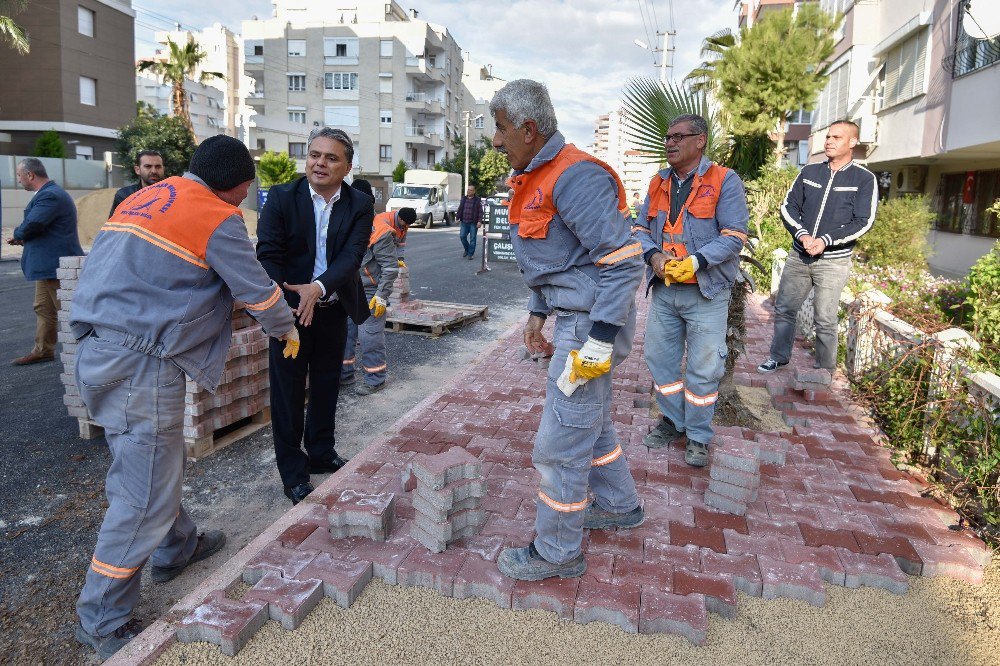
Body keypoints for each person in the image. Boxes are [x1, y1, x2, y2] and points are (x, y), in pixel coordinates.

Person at [68, 135, 299, 660]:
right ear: (238, 185)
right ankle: (102, 618)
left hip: (96, 347)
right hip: (140, 362)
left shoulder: (148, 197)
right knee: (142, 494)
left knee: (147, 465)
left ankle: (177, 545)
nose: (243, 200)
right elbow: (257, 290)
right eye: (245, 192)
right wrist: (286, 330)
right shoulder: (216, 216)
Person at [489, 80, 644, 581]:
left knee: (559, 446)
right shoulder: (537, 176)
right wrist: (537, 313)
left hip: (592, 324)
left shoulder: (574, 177)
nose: (495, 140)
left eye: (501, 128)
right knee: (590, 422)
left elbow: (622, 263)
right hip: (578, 318)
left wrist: (597, 341)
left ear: (529, 130)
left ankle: (557, 552)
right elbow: (555, 260)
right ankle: (620, 505)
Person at [256, 127, 374, 505]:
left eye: (331, 157)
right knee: (288, 394)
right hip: (289, 312)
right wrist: (282, 306)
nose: (320, 163)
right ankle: (293, 473)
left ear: (347, 166)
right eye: (314, 155)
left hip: (331, 307)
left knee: (326, 385)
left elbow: (351, 258)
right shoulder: (282, 197)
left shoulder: (359, 203)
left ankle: (321, 452)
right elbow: (269, 254)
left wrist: (318, 288)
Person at [634, 114, 750, 467]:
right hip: (666, 291)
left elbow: (734, 236)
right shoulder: (658, 182)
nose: (669, 142)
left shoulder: (724, 180)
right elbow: (639, 229)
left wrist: (696, 262)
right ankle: (673, 421)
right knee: (660, 361)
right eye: (667, 137)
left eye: (678, 137)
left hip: (706, 292)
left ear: (700, 140)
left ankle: (699, 436)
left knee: (703, 369)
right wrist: (653, 256)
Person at [757, 120, 877, 376]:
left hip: (834, 261)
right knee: (785, 309)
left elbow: (863, 221)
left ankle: (824, 370)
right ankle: (778, 357)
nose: (829, 141)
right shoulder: (809, 172)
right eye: (828, 137)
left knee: (825, 318)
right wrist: (802, 235)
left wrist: (826, 240)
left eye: (837, 137)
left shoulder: (864, 179)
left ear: (853, 142)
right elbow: (788, 207)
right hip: (799, 256)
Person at [7, 158, 84, 366]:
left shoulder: (50, 195)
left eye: (19, 176)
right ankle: (43, 350)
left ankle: (88, 353)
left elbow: (34, 223)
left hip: (56, 266)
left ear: (30, 175)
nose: (19, 180)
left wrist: (18, 234)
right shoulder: (48, 194)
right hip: (47, 266)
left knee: (69, 310)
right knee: (43, 308)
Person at [342, 207, 416, 394]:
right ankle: (345, 374)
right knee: (346, 332)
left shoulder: (381, 231)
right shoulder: (347, 224)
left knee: (369, 336)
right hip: (351, 288)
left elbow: (390, 267)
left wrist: (381, 296)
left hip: (370, 292)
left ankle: (375, 379)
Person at [109, 150, 165, 217]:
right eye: (148, 166)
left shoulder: (174, 195)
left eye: (158, 167)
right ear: (137, 170)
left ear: (163, 169)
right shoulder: (124, 195)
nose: (154, 171)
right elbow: (114, 224)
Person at [457, 185, 484, 259]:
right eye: (468, 190)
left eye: (471, 190)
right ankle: (467, 249)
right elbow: (460, 209)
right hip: (464, 222)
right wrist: (457, 218)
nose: (469, 191)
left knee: (472, 239)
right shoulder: (464, 199)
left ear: (474, 191)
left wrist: (479, 221)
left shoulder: (477, 200)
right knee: (462, 236)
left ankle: (470, 254)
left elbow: (480, 212)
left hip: (473, 223)